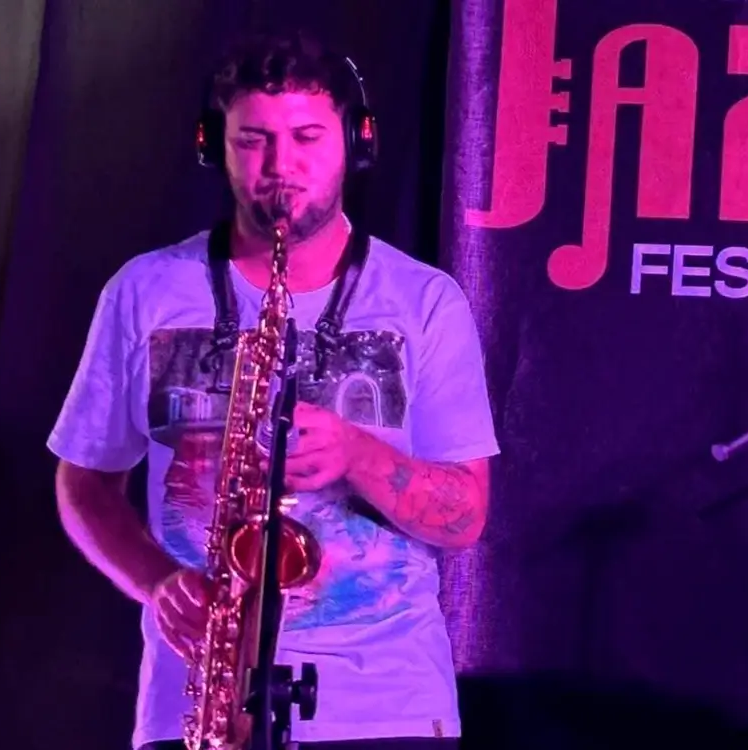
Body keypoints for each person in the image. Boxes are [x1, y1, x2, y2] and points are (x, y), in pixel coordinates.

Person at [47, 30, 497, 750]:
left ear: (356, 143)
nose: (280, 167)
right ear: (214, 147)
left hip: (389, 709)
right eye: (252, 140)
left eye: (307, 138)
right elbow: (84, 482)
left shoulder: (426, 302)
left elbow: (465, 516)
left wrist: (356, 455)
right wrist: (156, 582)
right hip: (197, 699)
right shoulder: (144, 291)